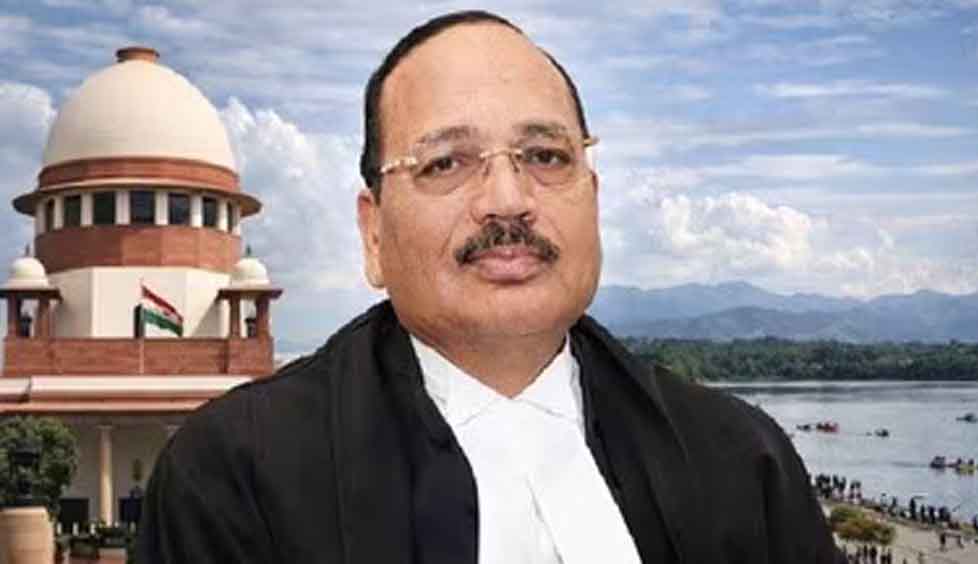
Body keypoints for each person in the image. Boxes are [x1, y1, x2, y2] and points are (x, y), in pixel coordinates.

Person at [137, 9, 844, 564]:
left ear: (594, 199)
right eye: (446, 163)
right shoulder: (235, 479)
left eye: (546, 156)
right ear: (373, 234)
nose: (508, 200)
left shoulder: (739, 460)